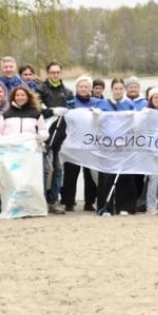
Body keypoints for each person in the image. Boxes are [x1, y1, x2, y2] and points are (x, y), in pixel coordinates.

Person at [95, 78, 136, 216]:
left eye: (120, 89)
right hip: (107, 145)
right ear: (111, 90)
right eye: (115, 89)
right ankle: (105, 206)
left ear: (124, 90)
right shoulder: (103, 104)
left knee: (124, 176)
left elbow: (135, 126)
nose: (118, 91)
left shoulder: (129, 104)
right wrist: (96, 116)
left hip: (123, 145)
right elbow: (97, 124)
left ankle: (124, 206)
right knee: (106, 176)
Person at [61, 75, 102, 211]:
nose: (83, 89)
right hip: (73, 142)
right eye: (81, 86)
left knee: (89, 174)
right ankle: (69, 202)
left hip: (90, 142)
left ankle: (89, 202)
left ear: (90, 89)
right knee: (71, 173)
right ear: (77, 88)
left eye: (86, 87)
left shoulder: (96, 102)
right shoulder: (70, 102)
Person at [36, 62, 70, 209]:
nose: (55, 75)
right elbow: (38, 109)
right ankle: (42, 199)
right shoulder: (41, 89)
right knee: (45, 169)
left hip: (61, 136)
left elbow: (72, 110)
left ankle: (54, 200)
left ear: (61, 73)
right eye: (52, 72)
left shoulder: (67, 91)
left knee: (58, 169)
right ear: (48, 73)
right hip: (46, 136)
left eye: (58, 72)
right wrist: (52, 111)